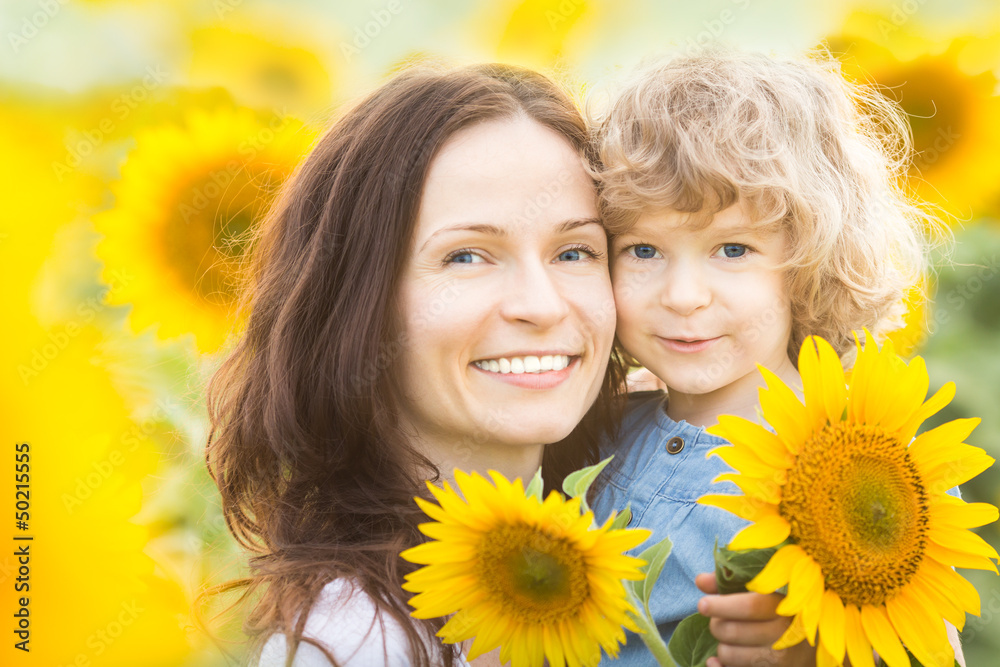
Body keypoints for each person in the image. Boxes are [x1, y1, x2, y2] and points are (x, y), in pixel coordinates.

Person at [204, 63, 627, 667]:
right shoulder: (357, 642)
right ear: (358, 302)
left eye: (575, 251)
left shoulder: (634, 554)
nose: (541, 304)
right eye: (467, 257)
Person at [587, 49, 956, 666]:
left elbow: (927, 643)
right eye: (643, 249)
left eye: (732, 249)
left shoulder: (858, 464)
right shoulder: (600, 429)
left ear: (810, 262)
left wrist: (818, 654)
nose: (682, 296)